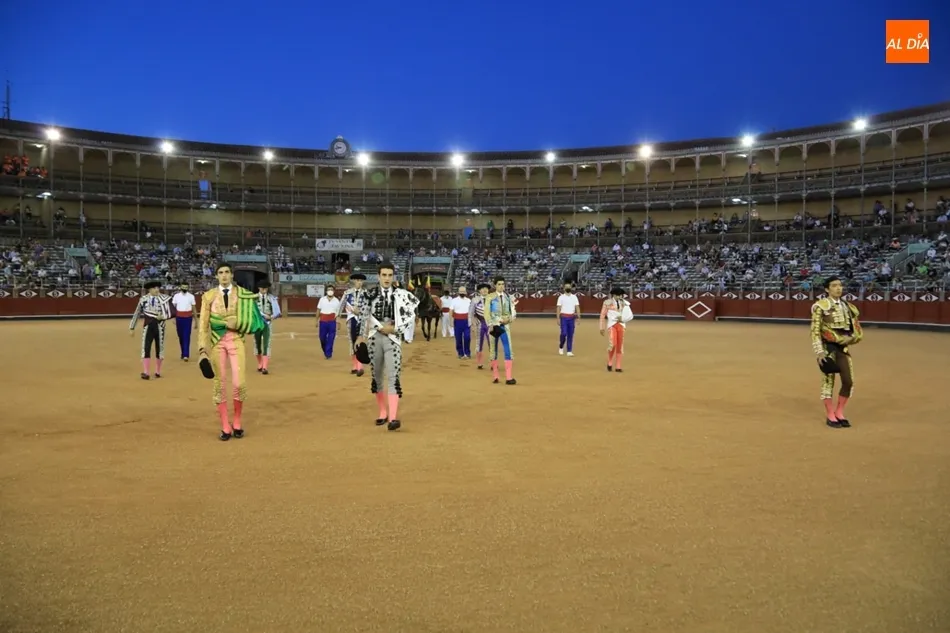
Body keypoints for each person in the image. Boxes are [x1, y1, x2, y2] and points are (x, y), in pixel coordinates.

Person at [198, 264, 266, 441]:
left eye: (227, 272)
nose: (224, 275)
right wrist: (201, 349)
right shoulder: (208, 296)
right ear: (216, 276)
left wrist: (238, 323)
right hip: (216, 341)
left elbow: (252, 319)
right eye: (220, 273)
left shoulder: (242, 294)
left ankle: (237, 420)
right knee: (219, 383)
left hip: (236, 339)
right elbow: (203, 326)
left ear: (232, 275)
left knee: (239, 383)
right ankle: (225, 426)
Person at [354, 261, 420, 431]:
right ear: (378, 276)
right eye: (384, 275)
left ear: (393, 276)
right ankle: (383, 411)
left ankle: (392, 418)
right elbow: (364, 316)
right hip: (374, 338)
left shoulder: (401, 294)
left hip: (393, 338)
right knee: (376, 377)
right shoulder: (369, 294)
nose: (387, 278)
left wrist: (395, 328)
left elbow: (410, 316)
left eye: (390, 275)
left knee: (393, 376)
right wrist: (360, 337)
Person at [810, 276, 863, 428]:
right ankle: (830, 414)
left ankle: (839, 411)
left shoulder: (849, 307)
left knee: (848, 381)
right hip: (827, 348)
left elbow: (858, 331)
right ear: (827, 289)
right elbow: (815, 331)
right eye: (834, 286)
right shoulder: (821, 306)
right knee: (828, 382)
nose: (838, 288)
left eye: (840, 285)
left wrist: (851, 339)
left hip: (843, 348)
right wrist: (819, 352)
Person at [129, 280, 173, 379]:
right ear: (150, 289)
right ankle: (146, 372)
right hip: (148, 326)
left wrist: (163, 317)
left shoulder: (164, 299)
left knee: (160, 348)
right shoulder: (143, 299)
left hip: (160, 326)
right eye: (155, 288)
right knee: (146, 348)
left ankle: (157, 371)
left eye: (158, 288)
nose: (157, 290)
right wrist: (132, 327)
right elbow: (137, 313)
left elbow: (170, 311)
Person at [484, 276, 517, 385]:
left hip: (505, 326)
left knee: (508, 349)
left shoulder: (508, 297)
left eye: (503, 284)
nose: (501, 286)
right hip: (494, 326)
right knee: (493, 350)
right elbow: (486, 313)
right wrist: (490, 324)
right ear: (495, 285)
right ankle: (495, 376)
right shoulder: (490, 297)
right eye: (499, 284)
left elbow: (512, 312)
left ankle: (508, 377)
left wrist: (509, 319)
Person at [599, 287, 634, 372]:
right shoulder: (607, 303)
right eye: (617, 295)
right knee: (613, 344)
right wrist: (601, 327)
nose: (619, 297)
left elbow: (628, 314)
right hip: (612, 325)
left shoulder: (624, 303)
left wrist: (623, 318)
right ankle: (610, 362)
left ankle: (618, 366)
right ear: (613, 295)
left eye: (620, 295)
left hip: (621, 325)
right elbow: (602, 315)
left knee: (619, 345)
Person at [339, 273, 367, 376]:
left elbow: (368, 307)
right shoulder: (347, 293)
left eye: (361, 280)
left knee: (360, 341)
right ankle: (355, 366)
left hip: (362, 320)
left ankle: (360, 366)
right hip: (351, 319)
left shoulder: (366, 293)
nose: (359, 282)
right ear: (354, 281)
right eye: (357, 280)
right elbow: (341, 304)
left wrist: (360, 312)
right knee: (352, 341)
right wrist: (337, 317)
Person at [253, 280, 282, 374]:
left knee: (267, 344)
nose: (264, 289)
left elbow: (277, 312)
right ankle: (260, 363)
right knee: (257, 344)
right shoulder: (254, 298)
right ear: (259, 288)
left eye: (265, 287)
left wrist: (271, 317)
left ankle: (265, 367)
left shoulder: (272, 298)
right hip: (257, 323)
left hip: (267, 323)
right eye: (262, 287)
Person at [171, 282, 197, 361]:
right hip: (179, 318)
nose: (184, 288)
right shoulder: (176, 296)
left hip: (188, 318)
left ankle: (186, 354)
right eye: (183, 287)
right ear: (180, 287)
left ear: (188, 288)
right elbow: (173, 308)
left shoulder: (191, 296)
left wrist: (196, 321)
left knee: (186, 336)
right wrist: (173, 318)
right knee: (181, 336)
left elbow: (194, 309)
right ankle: (183, 352)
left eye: (186, 287)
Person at [469, 282, 492, 369]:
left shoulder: (493, 299)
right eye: (482, 288)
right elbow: (470, 313)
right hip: (480, 323)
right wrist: (472, 324)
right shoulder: (475, 300)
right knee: (479, 343)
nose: (484, 290)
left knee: (492, 344)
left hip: (491, 324)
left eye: (486, 288)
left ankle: (493, 363)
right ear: (479, 291)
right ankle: (479, 363)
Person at [556, 282, 581, 356]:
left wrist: (579, 317)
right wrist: (558, 318)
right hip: (564, 317)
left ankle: (569, 350)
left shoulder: (574, 297)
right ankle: (561, 346)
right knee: (563, 333)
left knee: (570, 334)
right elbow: (558, 308)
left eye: (569, 287)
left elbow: (577, 307)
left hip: (571, 317)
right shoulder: (561, 297)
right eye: (566, 287)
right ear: (564, 288)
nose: (568, 288)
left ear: (571, 288)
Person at [317, 285, 341, 359]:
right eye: (328, 289)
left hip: (332, 321)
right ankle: (326, 350)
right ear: (326, 291)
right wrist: (316, 320)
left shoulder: (337, 301)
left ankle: (328, 354)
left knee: (331, 338)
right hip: (323, 321)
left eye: (331, 289)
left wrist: (338, 322)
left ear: (333, 291)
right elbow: (318, 310)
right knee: (322, 338)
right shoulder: (322, 299)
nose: (330, 291)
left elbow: (338, 313)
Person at [451, 286, 472, 359]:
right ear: (458, 293)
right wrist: (451, 321)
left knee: (467, 337)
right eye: (461, 292)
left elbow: (471, 311)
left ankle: (467, 352)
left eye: (463, 292)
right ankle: (460, 353)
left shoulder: (469, 300)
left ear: (465, 293)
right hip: (457, 321)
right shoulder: (454, 300)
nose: (462, 294)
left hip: (467, 321)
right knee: (458, 338)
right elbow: (451, 311)